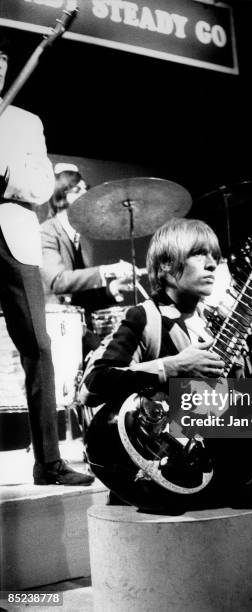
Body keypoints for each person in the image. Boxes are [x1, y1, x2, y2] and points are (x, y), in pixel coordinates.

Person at [81, 217, 252, 512]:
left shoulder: (210, 323)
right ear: (166, 265)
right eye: (198, 254)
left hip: (213, 435)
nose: (212, 264)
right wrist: (174, 366)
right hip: (168, 448)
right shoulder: (144, 316)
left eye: (214, 257)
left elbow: (242, 387)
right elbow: (92, 385)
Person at [0, 34, 93, 486]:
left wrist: (4, 171)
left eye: (1, 60)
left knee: (38, 347)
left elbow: (38, 188)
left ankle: (49, 462)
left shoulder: (25, 122)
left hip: (14, 243)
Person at [40, 163, 140, 353]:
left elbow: (80, 294)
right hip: (56, 329)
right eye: (78, 190)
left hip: (79, 327)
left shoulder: (81, 239)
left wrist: (111, 289)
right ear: (61, 196)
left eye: (86, 189)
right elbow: (58, 282)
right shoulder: (47, 232)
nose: (86, 196)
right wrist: (106, 270)